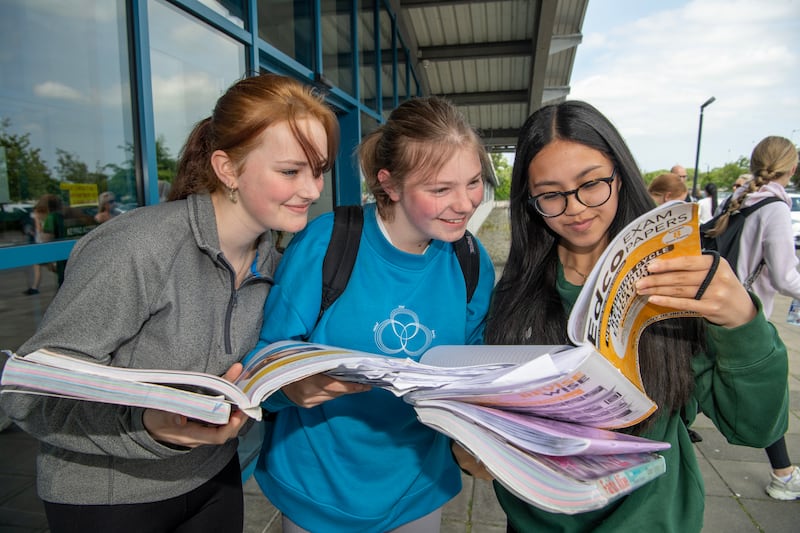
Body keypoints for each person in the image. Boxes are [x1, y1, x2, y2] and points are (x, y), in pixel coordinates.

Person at [0, 73, 340, 533]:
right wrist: (145, 425)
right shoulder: (136, 248)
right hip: (108, 499)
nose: (313, 190)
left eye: (318, 170)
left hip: (214, 480)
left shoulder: (277, 265)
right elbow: (29, 397)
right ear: (227, 168)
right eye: (290, 171)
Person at [480, 100, 788, 532]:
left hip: (652, 517)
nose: (575, 207)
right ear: (529, 203)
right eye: (551, 194)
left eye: (591, 184)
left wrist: (742, 322)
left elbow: (756, 428)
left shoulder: (675, 283)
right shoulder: (513, 295)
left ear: (620, 177)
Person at [246, 96, 496, 533]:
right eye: (440, 189)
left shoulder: (472, 260)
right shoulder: (328, 243)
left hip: (418, 486)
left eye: (473, 182)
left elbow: (471, 363)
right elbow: (264, 359)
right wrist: (293, 390)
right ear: (390, 184)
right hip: (318, 486)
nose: (464, 203)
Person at [707, 135, 800, 501]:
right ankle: (783, 475)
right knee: (767, 393)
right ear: (792, 168)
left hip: (714, 307)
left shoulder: (741, 198)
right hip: (744, 318)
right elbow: (784, 276)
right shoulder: (775, 207)